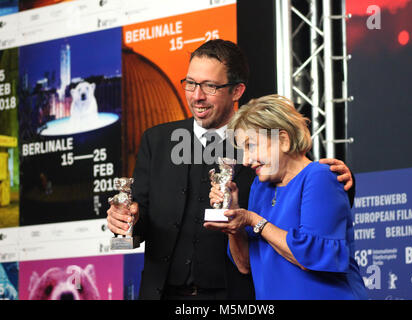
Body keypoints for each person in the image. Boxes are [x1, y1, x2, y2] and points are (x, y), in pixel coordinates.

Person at [106, 40, 355, 300]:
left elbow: (306, 187)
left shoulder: (261, 144)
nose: (197, 95)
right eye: (190, 83)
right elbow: (133, 233)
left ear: (237, 91)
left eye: (210, 86)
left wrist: (345, 181)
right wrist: (124, 225)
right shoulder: (156, 141)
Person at [207, 94, 368, 300]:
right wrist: (234, 222)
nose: (245, 161)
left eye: (251, 146)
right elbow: (245, 265)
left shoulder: (320, 176)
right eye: (242, 150)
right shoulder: (261, 187)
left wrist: (254, 220)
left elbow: (312, 257)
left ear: (283, 140)